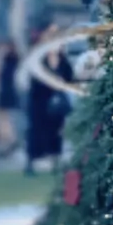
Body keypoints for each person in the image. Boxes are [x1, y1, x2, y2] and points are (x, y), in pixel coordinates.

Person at [25, 28, 74, 173]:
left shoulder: (62, 59)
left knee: (56, 131)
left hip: (56, 102)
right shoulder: (38, 57)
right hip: (39, 101)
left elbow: (69, 76)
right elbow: (34, 79)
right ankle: (32, 161)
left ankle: (55, 160)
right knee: (37, 131)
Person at [0, 41, 21, 157]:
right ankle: (9, 141)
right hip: (9, 93)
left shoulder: (8, 61)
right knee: (5, 120)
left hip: (5, 93)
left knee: (3, 119)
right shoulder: (15, 60)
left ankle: (10, 140)